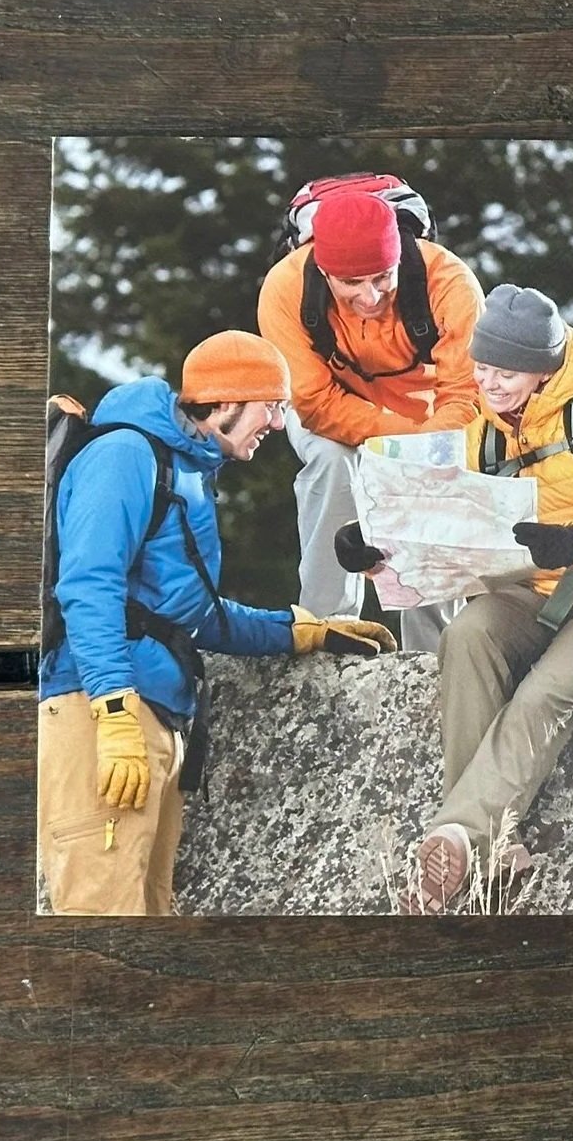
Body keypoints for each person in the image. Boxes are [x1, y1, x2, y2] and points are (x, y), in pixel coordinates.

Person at [38, 331, 400, 916]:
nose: (280, 423)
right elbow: (88, 587)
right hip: (99, 716)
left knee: (150, 915)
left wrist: (304, 629)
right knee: (99, 921)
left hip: (153, 719)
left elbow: (194, 616)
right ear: (227, 400)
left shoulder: (190, 472)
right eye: (272, 406)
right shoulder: (126, 454)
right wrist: (113, 711)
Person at [340, 286, 573, 912]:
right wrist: (374, 548)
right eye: (483, 368)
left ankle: (457, 840)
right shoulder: (480, 429)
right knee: (465, 636)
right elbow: (445, 524)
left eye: (506, 373)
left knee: (545, 691)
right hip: (529, 591)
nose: (489, 384)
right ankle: (490, 850)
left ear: (544, 368)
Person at [258, 188, 484, 651]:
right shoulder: (284, 288)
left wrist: (426, 446)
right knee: (331, 464)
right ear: (322, 269)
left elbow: (466, 394)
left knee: (433, 475)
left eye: (383, 277)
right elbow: (314, 401)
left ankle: (433, 651)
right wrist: (405, 438)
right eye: (351, 283)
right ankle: (328, 624)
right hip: (332, 405)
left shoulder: (449, 281)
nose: (370, 296)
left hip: (429, 412)